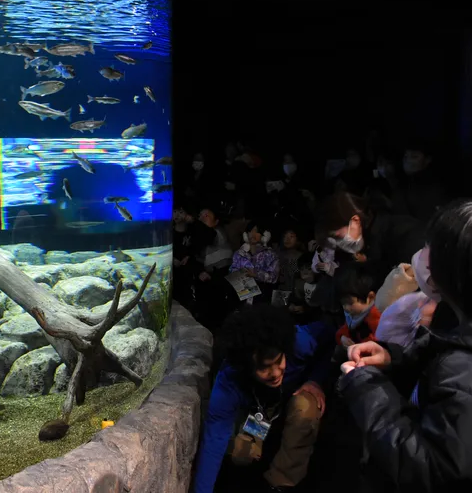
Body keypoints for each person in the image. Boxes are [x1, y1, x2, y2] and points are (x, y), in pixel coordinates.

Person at [339, 200, 472, 492]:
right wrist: (393, 358)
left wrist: (366, 388)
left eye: (431, 248)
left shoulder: (463, 367)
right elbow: (437, 361)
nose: (421, 257)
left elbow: (433, 469)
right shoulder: (453, 318)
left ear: (453, 271)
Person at [192, 305, 333, 492]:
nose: (275, 373)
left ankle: (280, 483)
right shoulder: (229, 380)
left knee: (304, 409)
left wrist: (315, 380)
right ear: (246, 367)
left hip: (295, 395)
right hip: (261, 410)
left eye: (278, 361)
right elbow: (214, 440)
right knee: (241, 452)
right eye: (264, 368)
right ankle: (259, 442)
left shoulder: (300, 341)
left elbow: (331, 336)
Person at [393, 141, 448, 222]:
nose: (408, 160)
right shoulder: (403, 184)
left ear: (427, 160)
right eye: (405, 156)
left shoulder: (434, 187)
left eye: (414, 157)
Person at [229, 222, 279, 305]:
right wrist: (239, 273)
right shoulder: (239, 253)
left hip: (262, 296)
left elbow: (274, 277)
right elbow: (232, 270)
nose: (253, 234)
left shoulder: (270, 254)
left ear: (264, 236)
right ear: (246, 235)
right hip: (241, 295)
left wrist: (255, 274)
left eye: (257, 231)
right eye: (250, 231)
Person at [334, 267, 381, 347]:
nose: (345, 307)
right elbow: (347, 327)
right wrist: (342, 337)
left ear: (370, 297)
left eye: (350, 303)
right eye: (343, 303)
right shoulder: (354, 313)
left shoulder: (378, 319)